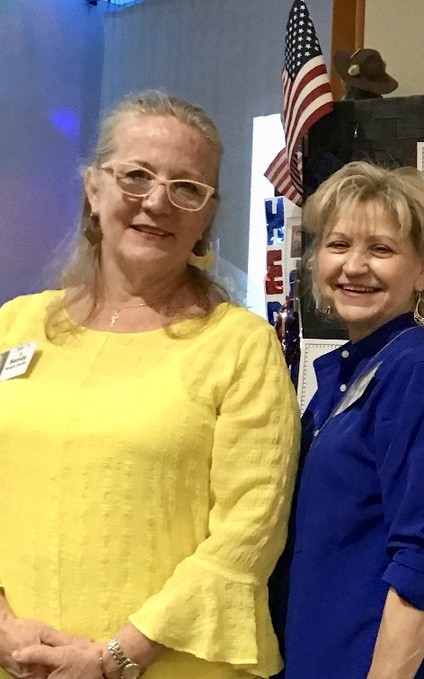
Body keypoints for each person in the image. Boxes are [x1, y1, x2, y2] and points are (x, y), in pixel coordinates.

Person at [0, 90, 299, 679]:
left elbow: (247, 534)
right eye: (135, 176)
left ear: (207, 215)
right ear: (93, 189)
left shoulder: (240, 346)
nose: (157, 202)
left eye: (187, 188)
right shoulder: (14, 325)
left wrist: (113, 659)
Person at [278, 162, 424, 678]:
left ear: (423, 269)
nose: (354, 266)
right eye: (339, 244)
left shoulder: (422, 371)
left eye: (381, 249)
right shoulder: (353, 371)